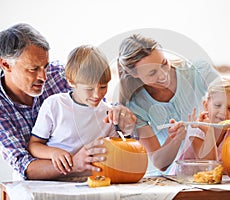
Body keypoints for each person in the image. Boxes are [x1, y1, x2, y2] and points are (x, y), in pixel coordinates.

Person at [0, 23, 135, 180]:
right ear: (5, 64)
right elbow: (25, 166)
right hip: (37, 184)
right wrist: (74, 164)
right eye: (33, 69)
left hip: (86, 179)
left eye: (45, 66)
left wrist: (121, 118)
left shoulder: (59, 74)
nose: (43, 77)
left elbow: (96, 106)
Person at [117, 34, 221, 175]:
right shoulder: (136, 105)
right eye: (152, 72)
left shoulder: (198, 71)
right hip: (175, 175)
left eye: (164, 63)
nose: (163, 75)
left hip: (215, 163)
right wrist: (175, 139)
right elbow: (160, 163)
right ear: (134, 74)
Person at [28, 45, 135, 175]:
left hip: (91, 181)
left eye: (103, 87)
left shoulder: (108, 113)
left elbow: (118, 150)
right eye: (89, 89)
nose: (97, 95)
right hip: (57, 179)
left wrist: (127, 130)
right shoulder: (55, 104)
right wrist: (53, 153)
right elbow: (34, 145)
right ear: (71, 82)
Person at [182, 76, 230, 161]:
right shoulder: (197, 127)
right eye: (217, 105)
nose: (223, 112)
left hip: (222, 173)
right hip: (188, 173)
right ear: (206, 105)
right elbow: (208, 165)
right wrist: (209, 132)